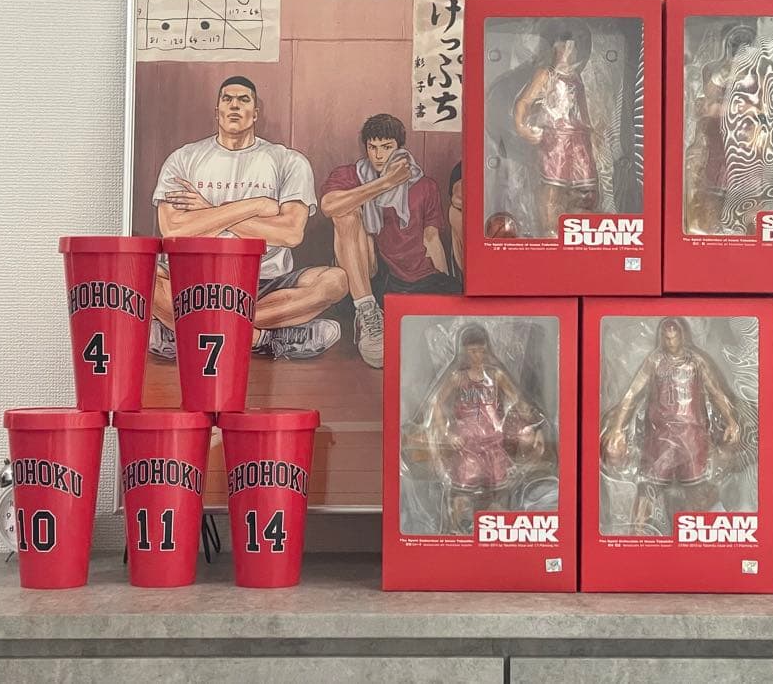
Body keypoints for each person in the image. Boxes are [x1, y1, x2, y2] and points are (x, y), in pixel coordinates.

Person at [150, 75, 347, 360]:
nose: (234, 105)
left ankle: (188, 332)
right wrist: (257, 205)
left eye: (243, 100)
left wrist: (208, 209)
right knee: (143, 279)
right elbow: (173, 229)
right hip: (192, 280)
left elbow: (290, 233)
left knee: (336, 281)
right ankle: (264, 338)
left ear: (255, 113)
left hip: (265, 281)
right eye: (227, 99)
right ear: (217, 111)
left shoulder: (288, 160)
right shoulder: (183, 159)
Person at [321, 114, 459, 369]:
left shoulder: (424, 185)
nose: (379, 155)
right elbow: (329, 206)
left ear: (399, 147)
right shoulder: (350, 174)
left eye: (386, 147)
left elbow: (431, 238)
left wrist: (442, 284)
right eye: (372, 147)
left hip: (408, 276)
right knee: (346, 213)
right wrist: (385, 183)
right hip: (364, 273)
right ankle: (367, 312)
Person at [601, 318, 740, 534]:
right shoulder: (655, 361)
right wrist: (617, 427)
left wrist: (731, 420)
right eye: (666, 338)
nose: (671, 342)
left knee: (697, 490)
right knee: (648, 488)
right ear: (661, 338)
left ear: (683, 336)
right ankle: (637, 534)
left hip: (692, 436)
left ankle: (695, 535)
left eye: (674, 337)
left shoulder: (696, 361)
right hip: (660, 437)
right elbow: (631, 394)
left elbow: (716, 392)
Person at [424, 325, 546, 534]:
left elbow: (518, 401)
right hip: (467, 443)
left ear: (486, 349)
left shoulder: (496, 375)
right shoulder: (458, 377)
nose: (477, 355)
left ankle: (495, 530)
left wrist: (535, 426)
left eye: (481, 350)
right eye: (472, 351)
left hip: (493, 441)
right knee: (463, 491)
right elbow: (435, 403)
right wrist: (447, 433)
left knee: (497, 491)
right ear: (464, 352)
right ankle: (456, 531)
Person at [512, 29, 599, 237]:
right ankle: (550, 234)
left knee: (586, 193)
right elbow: (524, 101)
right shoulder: (546, 74)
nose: (568, 50)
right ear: (554, 48)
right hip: (555, 140)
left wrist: (595, 134)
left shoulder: (577, 77)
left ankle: (573, 233)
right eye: (564, 45)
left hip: (578, 140)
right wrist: (522, 127)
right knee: (552, 189)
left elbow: (584, 112)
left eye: (572, 46)